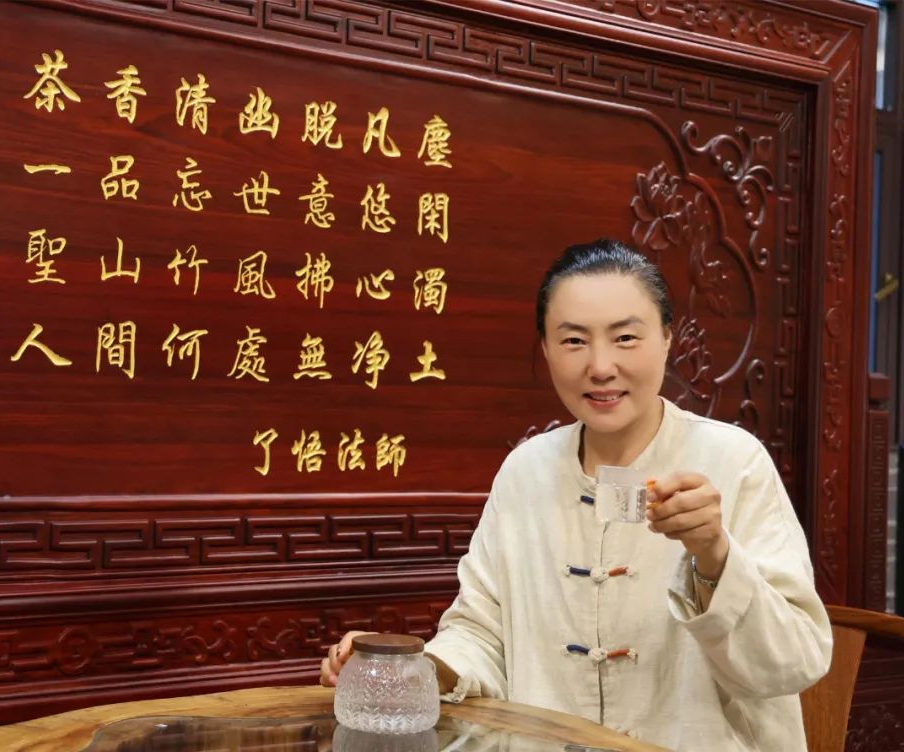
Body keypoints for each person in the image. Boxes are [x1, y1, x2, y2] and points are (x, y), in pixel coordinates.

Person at [321, 239, 832, 751]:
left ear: (667, 339)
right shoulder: (526, 472)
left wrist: (715, 556)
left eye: (626, 337)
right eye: (573, 341)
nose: (601, 366)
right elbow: (482, 633)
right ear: (545, 349)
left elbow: (796, 660)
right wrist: (410, 673)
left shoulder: (733, 461)